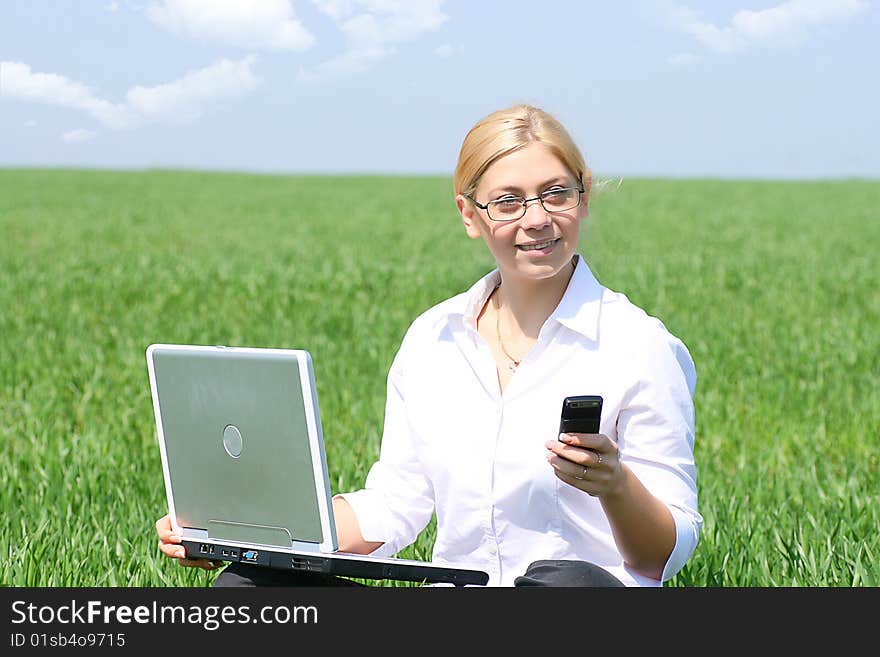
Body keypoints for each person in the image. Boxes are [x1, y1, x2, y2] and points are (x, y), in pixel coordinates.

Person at [156, 103, 701, 587]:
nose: (537, 219)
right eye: (507, 202)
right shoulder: (434, 339)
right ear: (470, 215)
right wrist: (246, 533)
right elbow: (395, 504)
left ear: (582, 196)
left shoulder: (639, 346)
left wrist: (615, 486)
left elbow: (664, 555)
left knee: (564, 584)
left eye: (556, 193)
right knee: (250, 587)